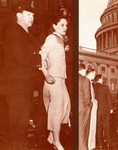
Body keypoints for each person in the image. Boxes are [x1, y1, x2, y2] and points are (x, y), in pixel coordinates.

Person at [0, 1, 42, 150]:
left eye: (33, 15)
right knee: (18, 130)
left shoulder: (25, 33)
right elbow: (24, 58)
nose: (32, 18)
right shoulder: (15, 32)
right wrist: (43, 57)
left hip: (21, 89)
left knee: (20, 129)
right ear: (18, 15)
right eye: (29, 14)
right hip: (17, 89)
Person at [39, 7, 71, 150]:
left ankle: (51, 137)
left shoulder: (60, 40)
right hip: (53, 79)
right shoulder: (51, 38)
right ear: (54, 26)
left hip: (60, 79)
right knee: (57, 110)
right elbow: (41, 55)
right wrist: (46, 74)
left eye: (66, 25)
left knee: (64, 106)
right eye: (62, 25)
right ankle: (57, 142)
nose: (65, 27)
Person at [93, 74, 113, 149]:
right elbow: (109, 98)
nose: (103, 80)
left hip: (97, 111)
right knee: (107, 127)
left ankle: (99, 144)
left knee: (98, 127)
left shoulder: (93, 86)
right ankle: (108, 143)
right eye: (102, 79)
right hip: (105, 111)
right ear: (100, 79)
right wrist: (111, 108)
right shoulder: (105, 87)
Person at [78, 64, 93, 150]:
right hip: (83, 109)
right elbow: (87, 98)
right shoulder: (85, 80)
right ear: (83, 70)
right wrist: (90, 105)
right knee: (83, 131)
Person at [86, 67, 98, 150]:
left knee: (92, 125)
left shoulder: (89, 82)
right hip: (91, 106)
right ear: (90, 73)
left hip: (92, 105)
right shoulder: (87, 81)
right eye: (94, 74)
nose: (95, 75)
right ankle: (89, 145)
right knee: (90, 125)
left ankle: (91, 144)